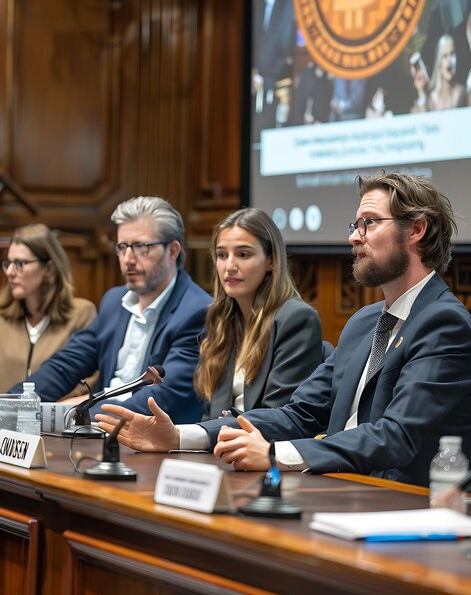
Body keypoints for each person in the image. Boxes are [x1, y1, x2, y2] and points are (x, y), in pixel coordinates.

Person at [97, 173, 471, 487]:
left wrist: (276, 454)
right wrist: (180, 436)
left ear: (416, 230)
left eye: (369, 223)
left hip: (401, 503)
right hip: (338, 488)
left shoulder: (444, 323)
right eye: (354, 226)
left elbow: (398, 436)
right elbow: (301, 414)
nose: (354, 237)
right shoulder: (363, 323)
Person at [9, 197, 212, 423]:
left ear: (172, 251)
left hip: (151, 442)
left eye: (141, 247)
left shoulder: (197, 311)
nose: (127, 259)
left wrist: (78, 413)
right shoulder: (114, 302)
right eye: (122, 247)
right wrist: (12, 406)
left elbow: (163, 397)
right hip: (98, 433)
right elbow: (66, 365)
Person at [194, 207, 323, 419]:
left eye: (243, 254)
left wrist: (191, 435)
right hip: (219, 446)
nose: (230, 266)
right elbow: (211, 415)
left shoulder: (296, 319)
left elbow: (275, 416)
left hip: (266, 447)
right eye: (222, 255)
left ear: (271, 261)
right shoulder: (221, 319)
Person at [0, 224, 96, 393]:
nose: (10, 272)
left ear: (49, 268)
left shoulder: (81, 314)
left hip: (60, 417)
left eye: (20, 263)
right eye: (8, 263)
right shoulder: (2, 315)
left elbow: (89, 382)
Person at [252, 0, 296, 137]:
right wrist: (254, 72)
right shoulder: (257, 3)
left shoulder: (287, 3)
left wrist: (265, 77)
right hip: (254, 82)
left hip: (274, 83)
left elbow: (284, 49)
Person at [411, 34, 467, 111]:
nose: (449, 60)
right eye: (445, 56)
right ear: (439, 61)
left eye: (452, 54)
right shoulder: (432, 98)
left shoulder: (462, 93)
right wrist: (420, 91)